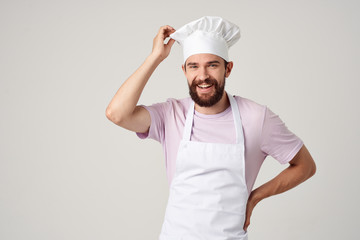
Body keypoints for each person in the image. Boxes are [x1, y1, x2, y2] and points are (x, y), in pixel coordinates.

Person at [106, 16, 316, 240]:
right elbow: (116, 113)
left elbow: (305, 166)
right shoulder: (171, 114)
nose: (203, 76)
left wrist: (255, 197)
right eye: (193, 66)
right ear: (184, 71)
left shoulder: (257, 118)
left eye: (212, 65)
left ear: (228, 69)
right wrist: (156, 57)